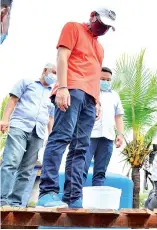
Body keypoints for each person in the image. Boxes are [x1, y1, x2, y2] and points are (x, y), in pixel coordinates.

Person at [37, 8, 116, 209]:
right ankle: (47, 192)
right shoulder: (73, 27)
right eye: (102, 24)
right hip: (70, 89)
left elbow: (95, 75)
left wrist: (97, 101)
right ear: (92, 17)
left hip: (89, 98)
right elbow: (62, 57)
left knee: (81, 147)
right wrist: (62, 87)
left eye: (107, 27)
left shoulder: (100, 48)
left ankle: (73, 197)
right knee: (61, 138)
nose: (103, 29)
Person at [0, 63, 56, 207]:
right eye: (53, 72)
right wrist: (5, 119)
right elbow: (13, 100)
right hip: (20, 127)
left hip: (38, 132)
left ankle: (15, 202)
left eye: (57, 74)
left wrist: (51, 135)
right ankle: (2, 200)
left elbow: (50, 117)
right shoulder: (27, 82)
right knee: (11, 162)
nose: (54, 76)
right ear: (44, 71)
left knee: (27, 169)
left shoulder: (53, 93)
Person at [82, 67, 124, 186]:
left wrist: (120, 134)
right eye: (102, 79)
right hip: (89, 136)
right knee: (81, 169)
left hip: (107, 138)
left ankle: (97, 202)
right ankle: (76, 199)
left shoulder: (114, 95)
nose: (105, 82)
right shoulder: (88, 92)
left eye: (108, 80)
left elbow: (119, 116)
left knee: (100, 173)